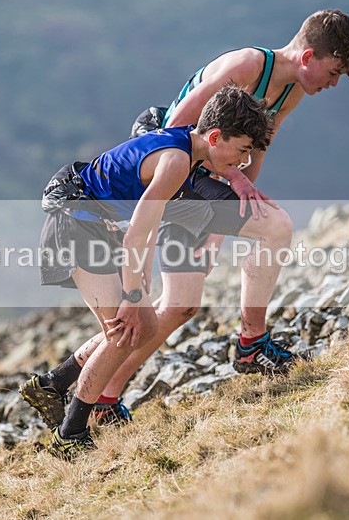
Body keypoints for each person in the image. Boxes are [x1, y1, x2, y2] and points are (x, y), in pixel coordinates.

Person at [21, 9, 349, 430]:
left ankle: (89, 394)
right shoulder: (247, 66)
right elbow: (175, 129)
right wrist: (206, 200)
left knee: (180, 305)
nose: (333, 84)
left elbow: (254, 153)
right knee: (275, 227)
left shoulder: (292, 91)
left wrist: (221, 225)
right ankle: (252, 344)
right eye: (333, 72)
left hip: (203, 176)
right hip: (173, 170)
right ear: (309, 56)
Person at [26, 85, 282, 458]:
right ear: (214, 137)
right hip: (76, 221)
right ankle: (70, 434)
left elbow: (147, 220)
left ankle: (52, 384)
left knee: (142, 327)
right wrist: (132, 295)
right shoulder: (177, 161)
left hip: (95, 224)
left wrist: (141, 273)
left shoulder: (187, 149)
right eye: (242, 150)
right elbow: (136, 232)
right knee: (124, 330)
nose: (243, 162)